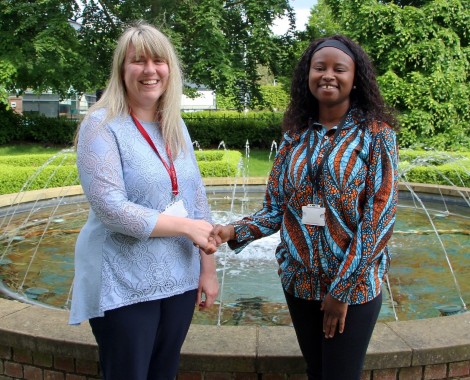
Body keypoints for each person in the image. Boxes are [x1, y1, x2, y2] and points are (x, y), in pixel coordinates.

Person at [211, 35, 399, 380]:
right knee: (316, 371)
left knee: (340, 375)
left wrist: (341, 291)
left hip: (353, 287)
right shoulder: (294, 136)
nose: (328, 75)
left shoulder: (375, 135)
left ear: (355, 78)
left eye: (339, 68)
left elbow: (380, 218)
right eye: (320, 67)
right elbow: (275, 209)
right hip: (299, 283)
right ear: (307, 76)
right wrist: (231, 231)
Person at [69, 21, 219, 380]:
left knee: (164, 373)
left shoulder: (175, 124)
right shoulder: (100, 125)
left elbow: (195, 196)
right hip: (123, 281)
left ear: (170, 68)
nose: (150, 70)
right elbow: (111, 209)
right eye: (138, 61)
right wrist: (186, 227)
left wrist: (208, 270)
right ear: (122, 70)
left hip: (180, 278)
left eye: (158, 61)